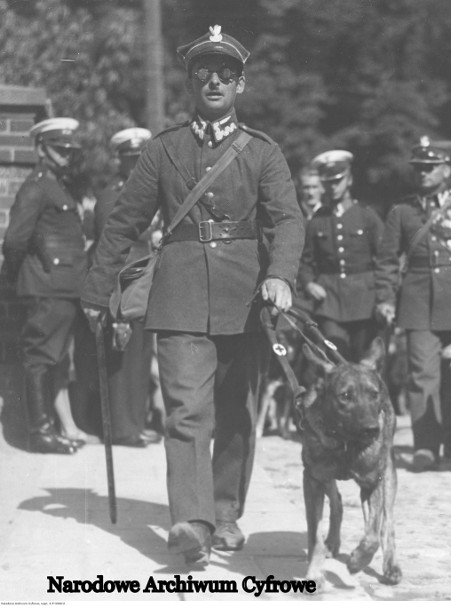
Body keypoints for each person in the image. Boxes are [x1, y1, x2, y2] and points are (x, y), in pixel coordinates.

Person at [81, 25, 305, 564]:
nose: (214, 81)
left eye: (225, 73)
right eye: (203, 72)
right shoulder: (162, 150)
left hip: (246, 299)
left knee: (236, 412)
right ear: (189, 83)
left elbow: (288, 220)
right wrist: (96, 290)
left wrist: (282, 275)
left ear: (240, 84)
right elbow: (122, 224)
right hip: (177, 297)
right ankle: (192, 523)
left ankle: (225, 512)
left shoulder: (262, 152)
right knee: (185, 414)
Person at [375, 136, 451, 471]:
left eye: (431, 168)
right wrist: (386, 298)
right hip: (416, 305)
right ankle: (426, 447)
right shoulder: (402, 211)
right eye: (419, 168)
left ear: (446, 171)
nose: (424, 173)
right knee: (422, 376)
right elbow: (387, 260)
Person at [2, 117, 88, 455]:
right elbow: (15, 240)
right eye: (58, 149)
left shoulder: (57, 184)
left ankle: (52, 428)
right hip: (46, 286)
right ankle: (39, 432)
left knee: (54, 359)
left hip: (63, 287)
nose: (66, 155)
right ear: (41, 149)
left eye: (69, 150)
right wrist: (18, 276)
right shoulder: (36, 186)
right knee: (40, 357)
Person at [91, 127, 160, 447]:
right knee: (122, 355)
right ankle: (122, 427)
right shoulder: (111, 196)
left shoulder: (149, 193)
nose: (136, 166)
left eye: (140, 159)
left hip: (145, 284)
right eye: (130, 160)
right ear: (120, 161)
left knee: (140, 355)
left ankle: (135, 421)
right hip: (123, 284)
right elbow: (111, 247)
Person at [298, 150, 383, 362]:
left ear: (349, 180)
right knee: (335, 359)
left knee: (364, 360)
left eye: (338, 181)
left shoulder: (366, 216)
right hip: (330, 301)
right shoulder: (318, 220)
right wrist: (309, 284)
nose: (333, 187)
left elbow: (384, 259)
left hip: (364, 299)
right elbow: (305, 261)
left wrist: (383, 298)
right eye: (328, 182)